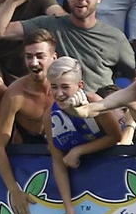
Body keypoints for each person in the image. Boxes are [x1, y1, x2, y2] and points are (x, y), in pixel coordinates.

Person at [0, 0, 135, 95]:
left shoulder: (115, 38)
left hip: (99, 109)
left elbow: (135, 77)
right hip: (59, 109)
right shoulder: (50, 25)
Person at [0, 31, 60, 214]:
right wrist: (14, 190)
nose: (34, 63)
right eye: (29, 57)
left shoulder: (67, 88)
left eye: (40, 56)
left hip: (65, 159)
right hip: (27, 163)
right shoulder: (15, 94)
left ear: (54, 58)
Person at [43, 55, 121, 203]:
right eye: (54, 86)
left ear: (80, 85)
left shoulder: (95, 102)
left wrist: (78, 151)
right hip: (78, 179)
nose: (59, 93)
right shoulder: (49, 116)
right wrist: (67, 206)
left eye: (65, 87)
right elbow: (58, 161)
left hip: (109, 170)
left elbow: (115, 137)